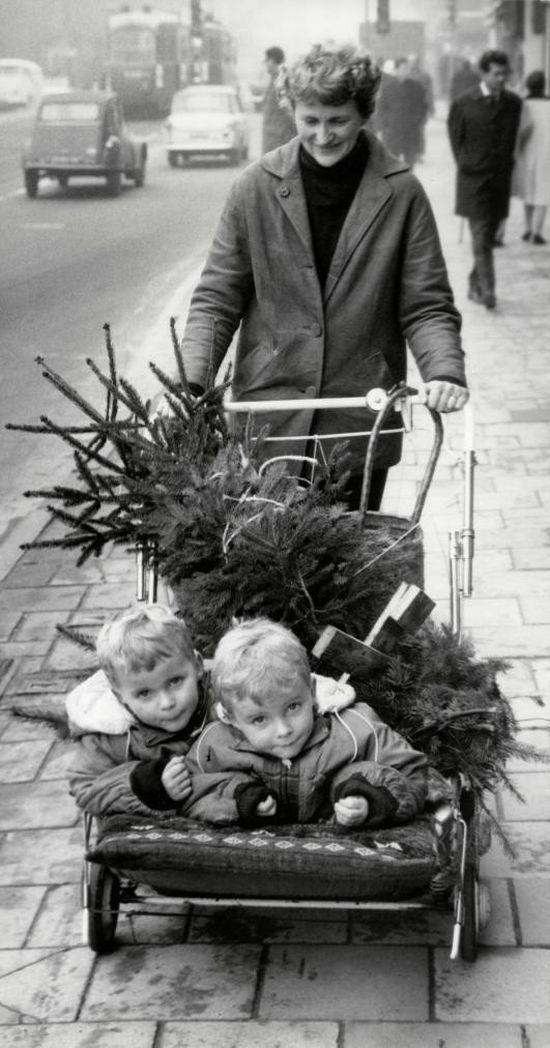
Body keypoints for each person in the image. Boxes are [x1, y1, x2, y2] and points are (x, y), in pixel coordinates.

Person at [180, 42, 468, 514]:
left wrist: (444, 371)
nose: (323, 135)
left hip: (359, 421)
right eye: (309, 120)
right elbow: (217, 297)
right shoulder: (255, 187)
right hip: (270, 418)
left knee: (349, 573)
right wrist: (191, 383)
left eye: (338, 121)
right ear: (291, 111)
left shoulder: (401, 193)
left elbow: (426, 304)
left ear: (364, 113)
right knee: (264, 566)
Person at [185, 617, 428, 828]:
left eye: (292, 707)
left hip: (340, 868)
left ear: (311, 690)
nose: (284, 730)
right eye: (259, 719)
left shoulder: (355, 728)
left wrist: (374, 802)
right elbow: (190, 792)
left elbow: (413, 774)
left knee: (357, 775)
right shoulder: (214, 745)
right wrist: (239, 802)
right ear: (232, 718)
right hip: (258, 871)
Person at [67, 604, 208, 817]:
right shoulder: (110, 737)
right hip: (154, 833)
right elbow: (86, 788)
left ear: (198, 666)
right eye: (144, 693)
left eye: (175, 681)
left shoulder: (222, 701)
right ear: (119, 696)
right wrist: (147, 785)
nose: (167, 703)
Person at [447, 49, 521, 310]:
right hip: (473, 182)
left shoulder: (514, 103)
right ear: (484, 73)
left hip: (499, 182)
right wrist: (468, 165)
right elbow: (456, 141)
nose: (502, 79)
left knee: (488, 239)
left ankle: (474, 282)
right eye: (496, 74)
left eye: (505, 74)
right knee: (480, 240)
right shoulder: (463, 103)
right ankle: (489, 291)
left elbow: (511, 141)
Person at [513, 69, 550, 245]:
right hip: (546, 152)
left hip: (526, 152)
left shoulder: (522, 104)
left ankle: (528, 229)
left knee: (528, 190)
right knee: (543, 191)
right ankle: (537, 232)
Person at [376, 57, 429, 169]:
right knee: (391, 167)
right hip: (392, 134)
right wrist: (385, 127)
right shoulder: (388, 87)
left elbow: (423, 107)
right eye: (404, 68)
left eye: (408, 68)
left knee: (410, 166)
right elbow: (381, 108)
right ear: (396, 69)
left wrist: (418, 120)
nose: (407, 71)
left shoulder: (417, 87)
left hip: (411, 133)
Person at [261, 45, 296, 153]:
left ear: (271, 61)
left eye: (266, 61)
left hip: (280, 141)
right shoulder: (274, 80)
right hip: (272, 141)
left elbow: (289, 112)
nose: (265, 64)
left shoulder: (281, 81)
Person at [407, 54, 435, 162]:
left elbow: (429, 93)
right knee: (411, 130)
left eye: (415, 61)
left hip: (420, 108)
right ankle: (412, 152)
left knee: (419, 130)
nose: (413, 64)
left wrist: (431, 108)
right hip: (409, 108)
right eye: (411, 61)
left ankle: (418, 153)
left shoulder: (424, 76)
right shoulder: (407, 75)